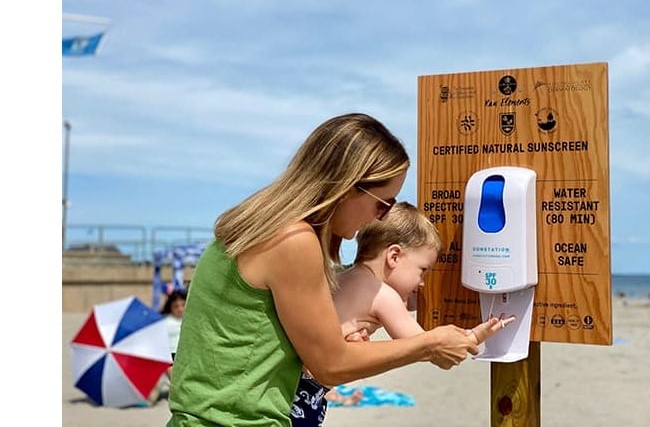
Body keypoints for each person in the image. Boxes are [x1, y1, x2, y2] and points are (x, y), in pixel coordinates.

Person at [167, 113, 509, 427]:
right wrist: (429, 344)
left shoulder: (259, 225)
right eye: (382, 202)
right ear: (347, 187)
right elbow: (331, 364)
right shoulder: (293, 240)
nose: (380, 216)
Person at [290, 202, 516, 426]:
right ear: (394, 256)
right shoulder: (382, 294)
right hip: (309, 392)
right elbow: (423, 346)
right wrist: (473, 337)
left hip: (292, 383)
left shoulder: (346, 277)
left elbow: (401, 305)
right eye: (422, 270)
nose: (422, 283)